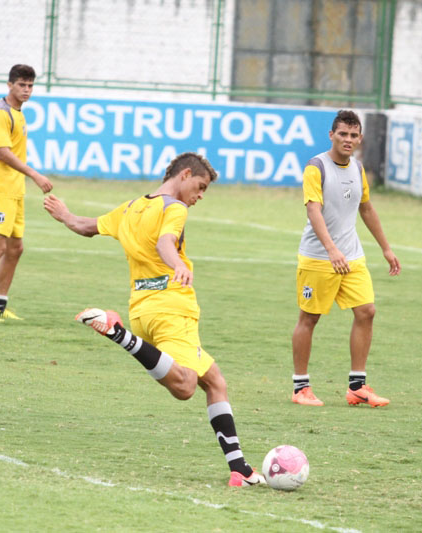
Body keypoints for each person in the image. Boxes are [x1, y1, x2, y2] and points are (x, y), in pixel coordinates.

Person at [44, 153, 266, 487]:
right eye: (201, 186)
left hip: (143, 310)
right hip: (172, 308)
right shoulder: (175, 208)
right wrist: (177, 263)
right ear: (185, 174)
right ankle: (118, 334)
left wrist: (65, 215)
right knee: (186, 386)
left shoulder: (130, 207)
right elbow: (166, 241)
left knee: (215, 381)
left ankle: (240, 470)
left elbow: (85, 226)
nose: (200, 195)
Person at [290, 110, 400, 407]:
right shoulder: (316, 167)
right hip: (318, 257)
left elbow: (366, 208)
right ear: (332, 135)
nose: (348, 140)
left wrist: (385, 248)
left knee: (367, 311)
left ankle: (357, 387)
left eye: (353, 135)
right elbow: (313, 210)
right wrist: (331, 249)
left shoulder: (358, 168)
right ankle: (300, 388)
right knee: (309, 318)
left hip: (352, 256)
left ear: (359, 138)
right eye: (343, 134)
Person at [0, 64, 53, 322]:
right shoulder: (1, 112)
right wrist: (35, 175)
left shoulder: (18, 112)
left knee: (15, 249)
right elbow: (3, 153)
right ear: (10, 85)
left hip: (14, 190)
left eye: (30, 86)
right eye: (21, 85)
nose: (26, 90)